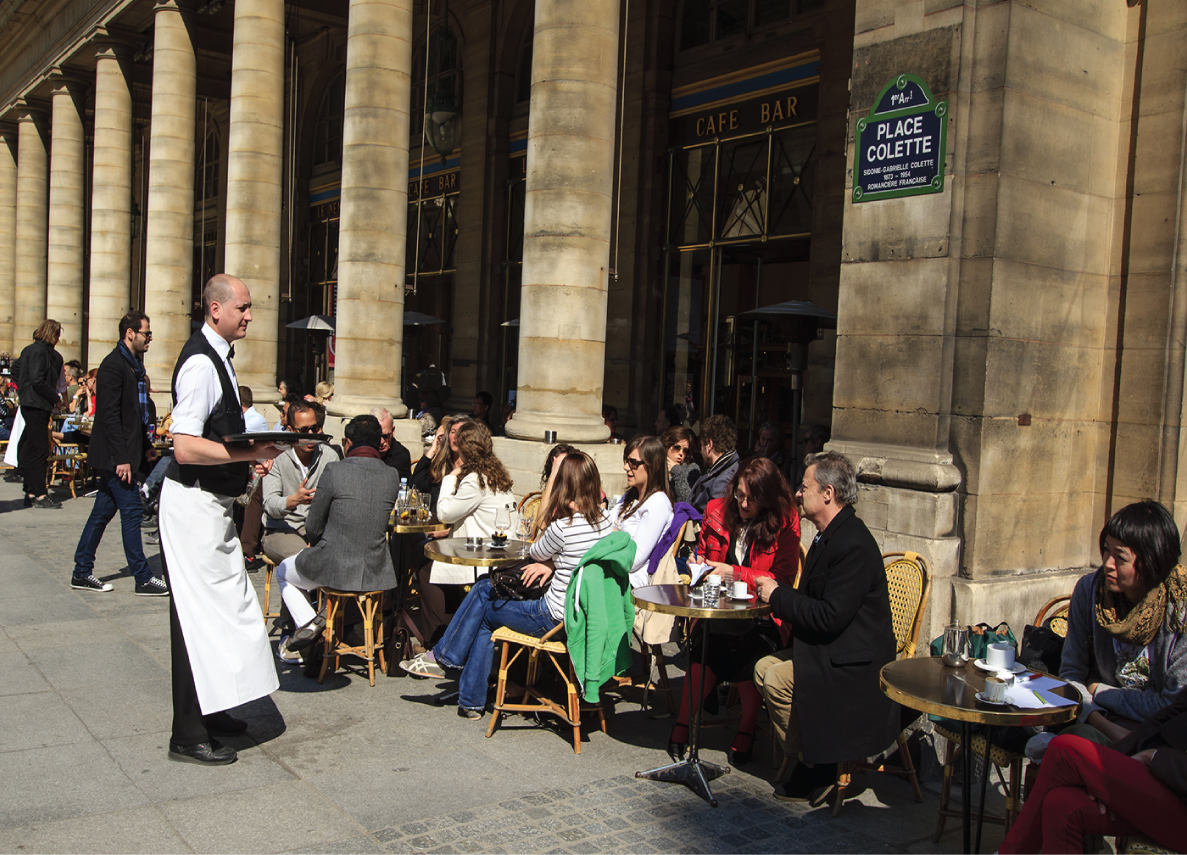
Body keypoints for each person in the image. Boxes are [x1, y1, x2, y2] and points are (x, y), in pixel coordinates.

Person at [158, 273, 282, 766]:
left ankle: (210, 712)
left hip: (209, 507)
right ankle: (187, 734)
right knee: (196, 618)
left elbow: (215, 439)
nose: (250, 315)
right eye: (244, 307)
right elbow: (184, 445)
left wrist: (250, 451)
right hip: (191, 507)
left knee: (226, 614)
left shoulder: (220, 359)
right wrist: (246, 452)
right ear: (216, 309)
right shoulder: (201, 364)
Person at [402, 450, 610, 719]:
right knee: (484, 593)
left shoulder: (564, 528)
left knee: (484, 602)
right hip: (584, 617)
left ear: (564, 486)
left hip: (552, 618)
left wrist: (548, 561)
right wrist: (554, 563)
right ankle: (466, 697)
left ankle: (446, 660)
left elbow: (535, 547)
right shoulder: (607, 523)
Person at [753, 451, 899, 802]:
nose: (799, 494)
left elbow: (829, 616)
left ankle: (817, 763)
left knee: (776, 679)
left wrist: (777, 596)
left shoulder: (852, 543)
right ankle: (812, 754)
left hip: (852, 660)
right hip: (829, 645)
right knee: (762, 667)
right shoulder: (827, 533)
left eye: (805, 487)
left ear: (828, 493)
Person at [668, 457, 801, 768]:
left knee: (749, 650)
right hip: (719, 610)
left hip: (764, 616)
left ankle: (746, 728)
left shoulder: (785, 521)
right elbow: (703, 554)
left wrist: (734, 573)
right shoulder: (716, 511)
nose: (742, 504)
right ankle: (684, 722)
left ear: (767, 498)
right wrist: (698, 568)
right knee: (706, 644)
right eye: (739, 495)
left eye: (751, 499)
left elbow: (781, 581)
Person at [999, 690, 1187, 854]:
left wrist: (1154, 757)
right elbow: (1162, 721)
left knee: (1064, 751)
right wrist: (1104, 778)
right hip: (1164, 784)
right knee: (1061, 804)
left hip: (1177, 796)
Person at [1060, 500, 1187, 742]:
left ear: (1152, 561)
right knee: (1071, 744)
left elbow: (1173, 704)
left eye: (1120, 557)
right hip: (1100, 721)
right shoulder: (1090, 591)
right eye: (1106, 550)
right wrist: (1098, 718)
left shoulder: (1179, 609)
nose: (1107, 564)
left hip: (1161, 736)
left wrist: (1099, 690)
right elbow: (1071, 673)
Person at [276, 415, 401, 657]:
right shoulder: (392, 475)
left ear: (347, 442)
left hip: (336, 567)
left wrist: (320, 541)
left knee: (283, 571)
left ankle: (311, 625)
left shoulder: (335, 470)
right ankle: (316, 625)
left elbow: (313, 524)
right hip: (375, 570)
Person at [70, 311, 169, 596]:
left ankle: (81, 571)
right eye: (146, 333)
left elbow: (134, 414)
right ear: (130, 333)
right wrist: (122, 457)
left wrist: (145, 446)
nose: (150, 338)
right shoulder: (113, 366)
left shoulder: (134, 366)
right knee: (132, 511)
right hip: (116, 457)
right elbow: (110, 416)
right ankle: (142, 577)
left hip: (126, 453)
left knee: (101, 514)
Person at [416, 422, 516, 645]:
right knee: (435, 565)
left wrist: (452, 476)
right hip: (495, 550)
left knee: (426, 568)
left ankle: (438, 641)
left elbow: (444, 513)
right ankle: (449, 633)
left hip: (480, 556)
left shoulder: (475, 479)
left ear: (464, 449)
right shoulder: (496, 474)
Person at [261, 400, 340, 565]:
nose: (311, 434)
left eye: (315, 428)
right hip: (282, 529)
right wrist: (294, 500)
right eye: (304, 430)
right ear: (290, 430)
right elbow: (270, 505)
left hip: (319, 530)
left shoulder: (329, 456)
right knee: (306, 560)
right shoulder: (276, 456)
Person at [611, 436, 674, 588]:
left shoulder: (658, 502)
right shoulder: (631, 496)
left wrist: (612, 535)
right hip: (613, 572)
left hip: (630, 584)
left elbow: (634, 560)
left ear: (655, 465)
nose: (626, 467)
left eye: (633, 463)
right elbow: (605, 521)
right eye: (626, 460)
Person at [16, 319, 65, 509]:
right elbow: (37, 380)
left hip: (31, 402)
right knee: (40, 449)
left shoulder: (31, 350)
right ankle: (40, 494)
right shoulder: (39, 351)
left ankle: (30, 490)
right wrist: (55, 397)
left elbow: (17, 370)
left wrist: (23, 387)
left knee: (31, 447)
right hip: (37, 404)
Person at [688, 413, 740, 513]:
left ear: (709, 445)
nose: (701, 451)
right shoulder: (721, 469)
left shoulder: (724, 480)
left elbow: (713, 521)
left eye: (701, 445)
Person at [663, 426, 699, 504]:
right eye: (676, 448)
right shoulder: (658, 468)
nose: (681, 453)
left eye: (685, 450)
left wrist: (677, 474)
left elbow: (689, 502)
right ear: (667, 447)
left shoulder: (691, 470)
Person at [373, 406, 411, 481]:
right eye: (377, 436)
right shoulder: (366, 450)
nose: (381, 442)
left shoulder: (401, 455)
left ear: (393, 431)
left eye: (386, 436)